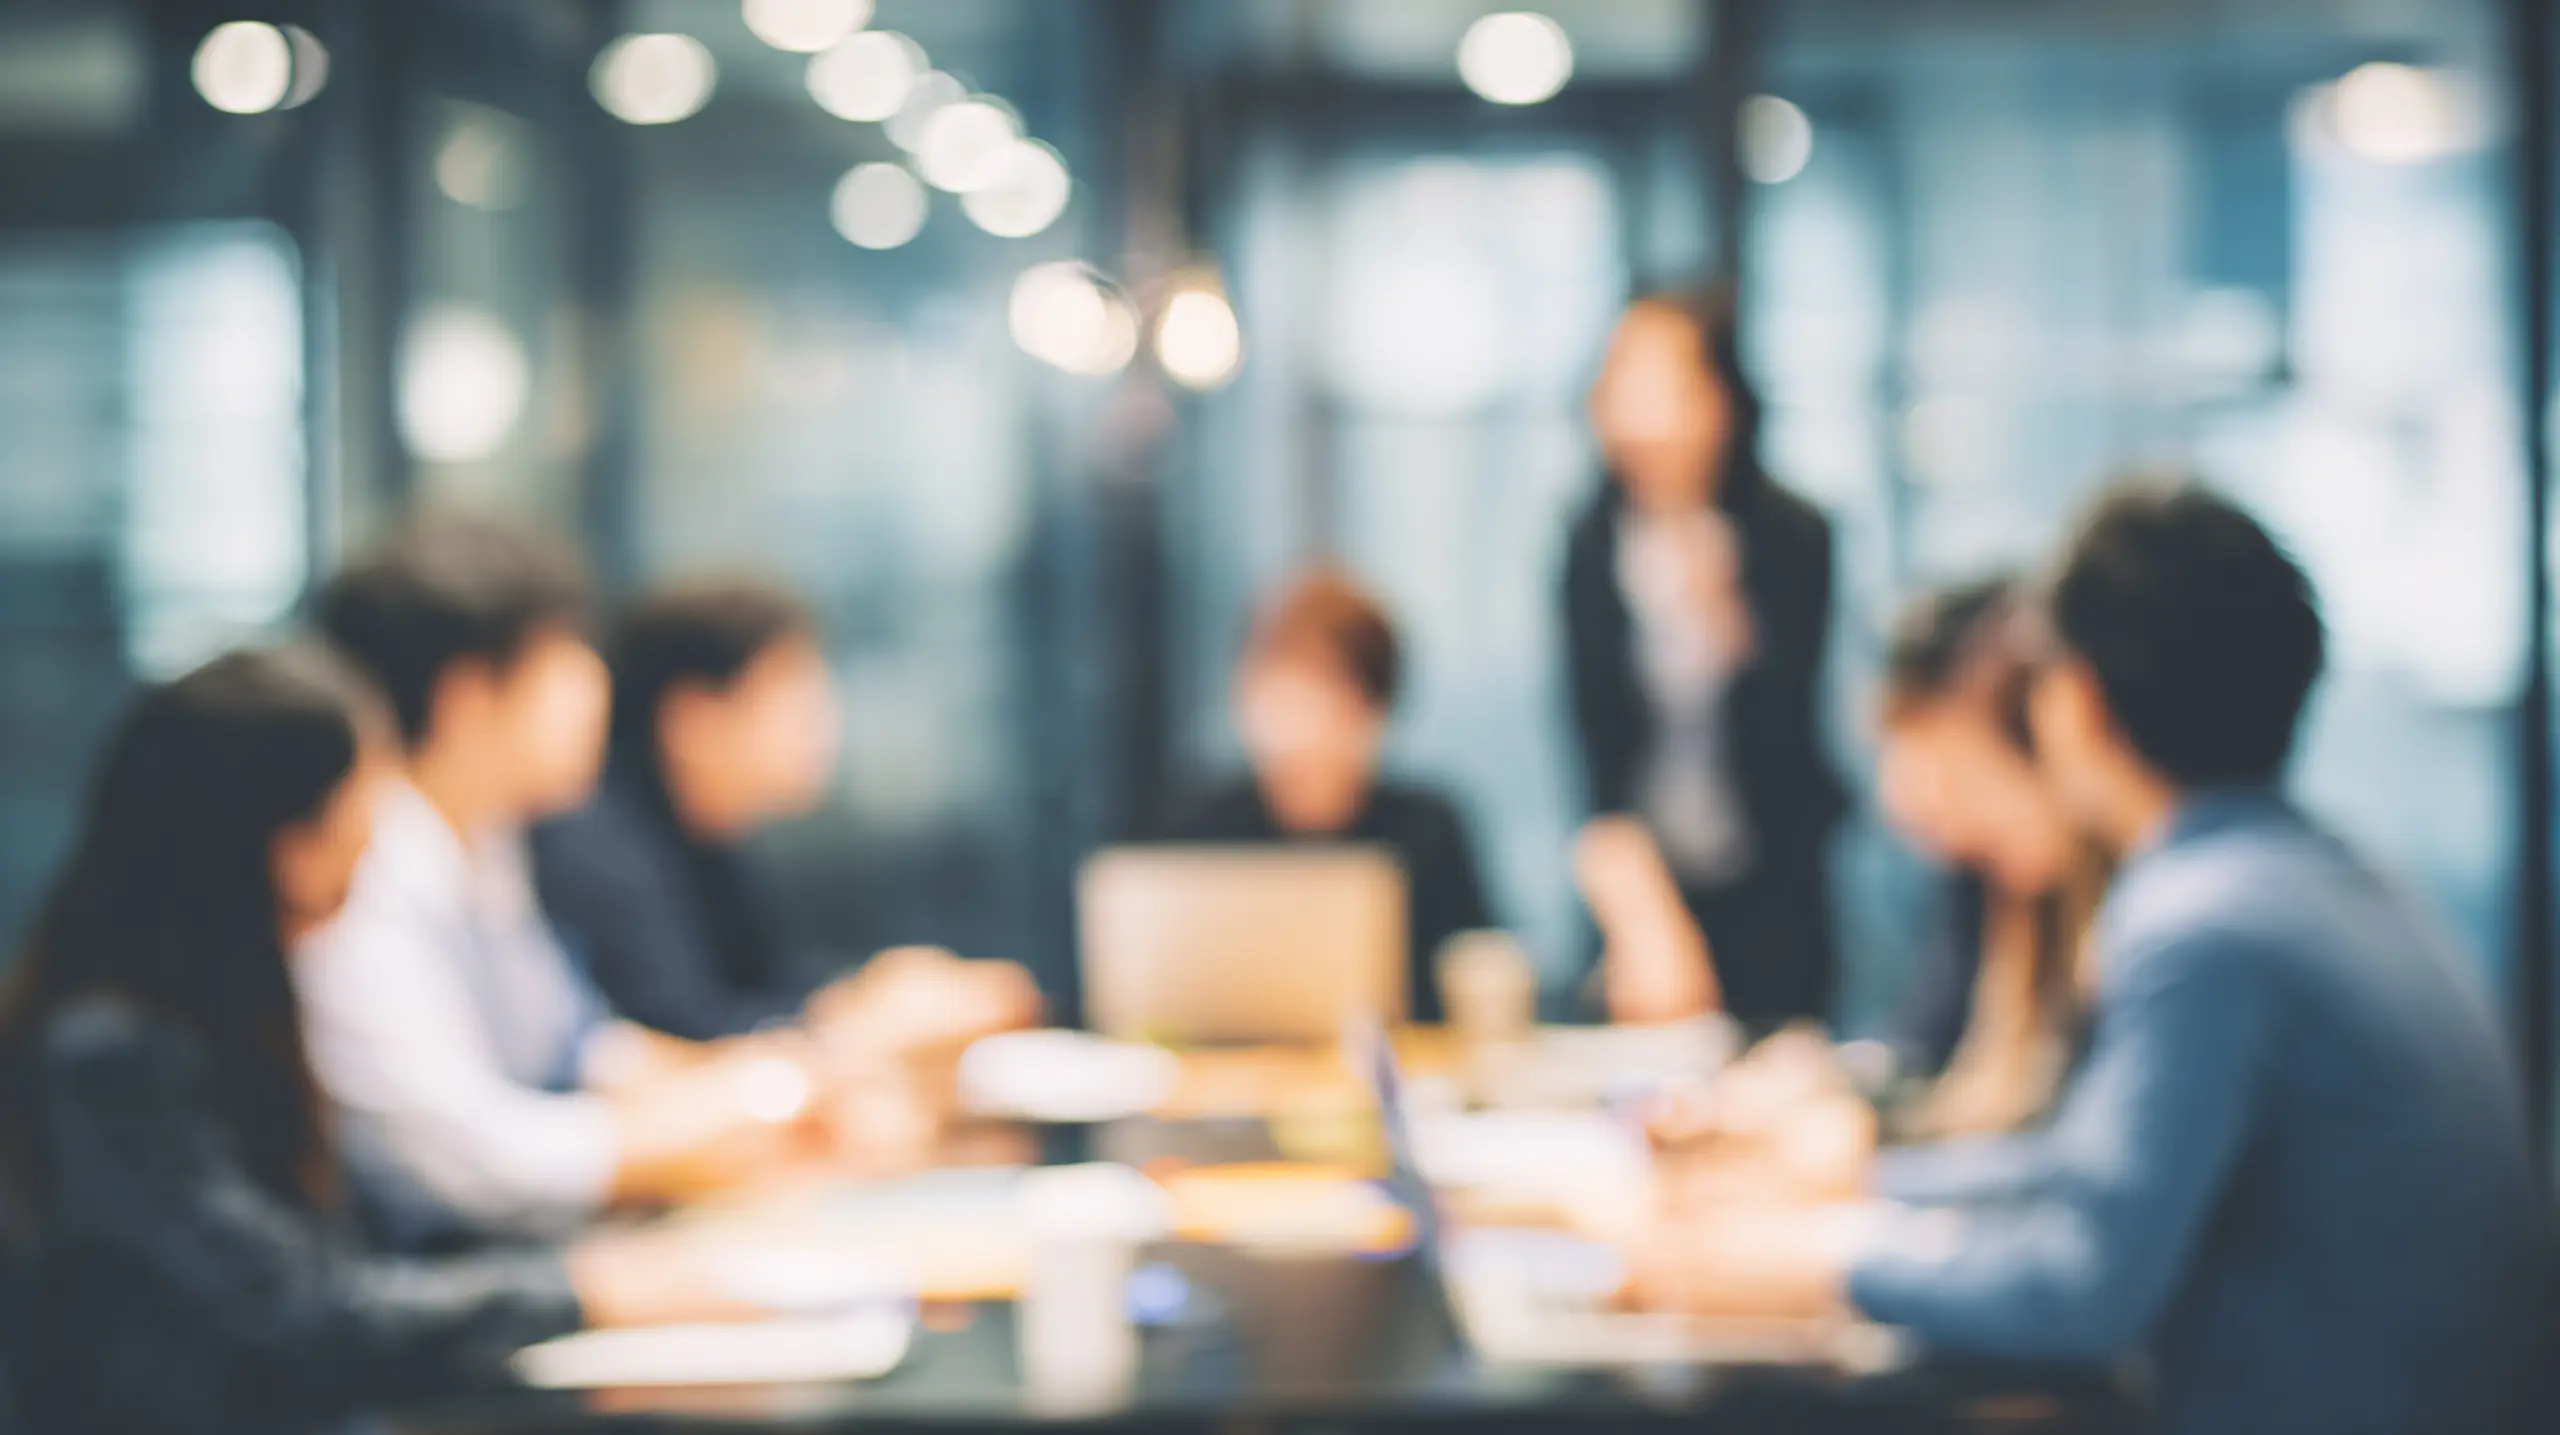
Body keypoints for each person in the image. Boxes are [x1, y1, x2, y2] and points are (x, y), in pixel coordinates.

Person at [1627, 481, 2557, 1435]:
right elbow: (2088, 1176)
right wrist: (1856, 1195)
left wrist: (1818, 1260)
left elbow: (2083, 1292)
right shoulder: (2318, 877)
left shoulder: (2201, 928)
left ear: (2075, 700)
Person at [0, 649, 747, 1435]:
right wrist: (584, 1289)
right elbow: (302, 1315)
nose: (378, 834)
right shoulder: (109, 1052)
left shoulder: (216, 1004)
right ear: (289, 845)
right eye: (364, 799)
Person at [295, 516, 820, 1244]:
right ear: (466, 696)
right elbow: (468, 1161)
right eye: (564, 660)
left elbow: (575, 1043)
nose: (596, 689)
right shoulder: (363, 876)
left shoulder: (484, 842)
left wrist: (764, 1089)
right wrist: (759, 1106)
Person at [535, 580, 1036, 1045]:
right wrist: (868, 1018)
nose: (823, 723)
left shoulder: (712, 834)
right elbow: (685, 1033)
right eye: (792, 696)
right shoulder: (603, 848)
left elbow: (768, 986)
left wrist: (867, 996)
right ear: (694, 718)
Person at [1564, 286, 1849, 1031]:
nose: (1645, 412)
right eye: (1624, 381)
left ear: (1723, 399)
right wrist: (1642, 919)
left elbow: (1794, 732)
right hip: (1645, 891)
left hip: (1773, 892)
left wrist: (1727, 619)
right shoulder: (1590, 545)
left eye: (1671, 383)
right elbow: (1595, 751)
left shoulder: (1793, 535)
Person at [1162, 569, 1496, 1023]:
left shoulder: (1429, 831)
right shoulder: (1201, 828)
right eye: (1273, 686)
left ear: (1373, 709)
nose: (1293, 716)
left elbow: (1470, 980)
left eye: (1321, 691)